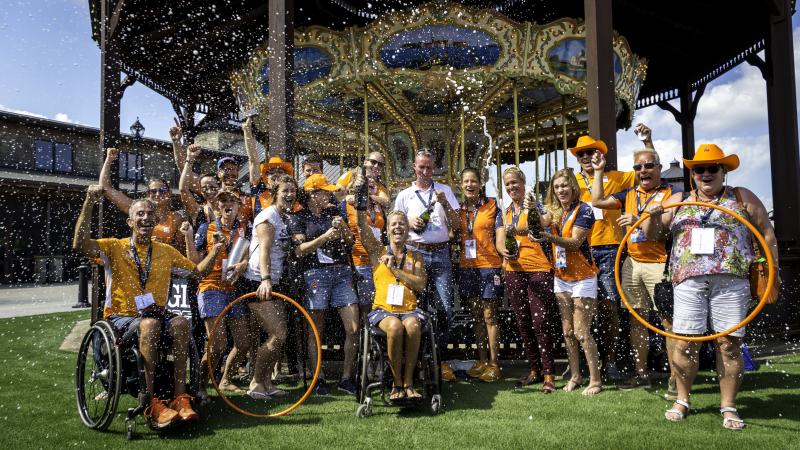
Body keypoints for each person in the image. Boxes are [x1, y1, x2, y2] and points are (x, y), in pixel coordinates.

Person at [642, 144, 779, 430]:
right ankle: (682, 399)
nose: (706, 173)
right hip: (688, 280)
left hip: (731, 281)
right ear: (692, 174)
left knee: (729, 344)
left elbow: (766, 232)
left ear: (723, 171)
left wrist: (773, 269)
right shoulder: (677, 200)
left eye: (712, 168)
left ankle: (728, 405)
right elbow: (653, 235)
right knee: (684, 342)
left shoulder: (742, 197)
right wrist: (653, 216)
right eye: (699, 169)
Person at [73, 185, 223, 427]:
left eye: (149, 214)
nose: (145, 218)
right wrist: (89, 202)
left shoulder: (166, 251)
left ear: (155, 220)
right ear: (130, 222)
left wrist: (216, 250)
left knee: (181, 322)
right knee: (150, 324)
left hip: (155, 315)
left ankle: (180, 397)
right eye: (139, 214)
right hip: (120, 319)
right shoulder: (114, 246)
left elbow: (197, 272)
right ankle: (150, 401)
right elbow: (80, 244)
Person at [590, 148, 679, 391]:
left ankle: (675, 378)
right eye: (638, 168)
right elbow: (597, 200)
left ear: (659, 168)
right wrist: (598, 172)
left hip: (660, 265)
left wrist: (637, 218)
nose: (643, 171)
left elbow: (660, 231)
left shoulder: (672, 193)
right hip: (632, 262)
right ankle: (641, 374)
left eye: (648, 166)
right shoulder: (629, 193)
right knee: (637, 320)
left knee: (667, 322)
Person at [571, 126, 652, 379]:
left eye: (591, 152)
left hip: (612, 249)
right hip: (582, 250)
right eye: (581, 154)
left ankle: (611, 359)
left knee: (609, 307)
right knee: (582, 308)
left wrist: (647, 141)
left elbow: (648, 171)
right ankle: (584, 362)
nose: (586, 157)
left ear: (599, 155)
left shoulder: (619, 177)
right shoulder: (571, 183)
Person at [392, 150, 460, 381]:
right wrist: (409, 222)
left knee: (445, 310)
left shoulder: (445, 191)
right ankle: (415, 360)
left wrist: (445, 205)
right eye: (421, 167)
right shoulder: (404, 195)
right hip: (415, 253)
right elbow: (394, 225)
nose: (425, 171)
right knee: (412, 309)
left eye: (429, 167)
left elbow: (458, 223)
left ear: (434, 168)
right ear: (414, 167)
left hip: (440, 253)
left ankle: (439, 361)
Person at [291, 173, 360, 396]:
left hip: (341, 272)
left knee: (353, 327)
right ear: (313, 194)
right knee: (316, 330)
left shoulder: (335, 212)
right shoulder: (299, 217)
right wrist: (324, 237)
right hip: (315, 274)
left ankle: (347, 378)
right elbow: (299, 251)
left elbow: (350, 242)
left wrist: (344, 231)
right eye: (325, 191)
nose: (330, 194)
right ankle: (318, 378)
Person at [536, 169, 602, 396]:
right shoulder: (555, 212)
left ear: (573, 187)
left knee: (582, 332)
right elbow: (538, 222)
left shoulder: (584, 210)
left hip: (584, 277)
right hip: (561, 277)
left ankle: (595, 380)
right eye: (556, 187)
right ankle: (575, 375)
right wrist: (530, 210)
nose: (561, 190)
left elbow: (574, 243)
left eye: (564, 186)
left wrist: (548, 237)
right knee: (567, 332)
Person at [186, 191, 251, 402]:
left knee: (243, 343)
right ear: (218, 205)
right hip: (211, 287)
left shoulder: (244, 229)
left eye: (232, 200)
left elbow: (249, 255)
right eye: (223, 200)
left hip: (234, 289)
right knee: (217, 345)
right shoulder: (207, 228)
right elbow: (194, 263)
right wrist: (215, 248)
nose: (228, 204)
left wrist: (244, 264)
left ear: (239, 205)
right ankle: (200, 386)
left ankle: (225, 380)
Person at [356, 208, 428, 400]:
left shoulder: (416, 256)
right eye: (393, 224)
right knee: (395, 327)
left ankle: (409, 382)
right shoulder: (378, 252)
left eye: (402, 224)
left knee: (412, 325)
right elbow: (362, 228)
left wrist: (396, 271)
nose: (398, 227)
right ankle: (397, 384)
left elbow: (420, 285)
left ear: (407, 230)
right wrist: (359, 206)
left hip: (410, 310)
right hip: (383, 310)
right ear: (387, 229)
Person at [240, 175, 299, 399]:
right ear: (275, 193)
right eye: (285, 190)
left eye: (293, 191)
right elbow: (264, 249)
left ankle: (266, 383)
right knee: (278, 333)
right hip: (258, 282)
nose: (290, 195)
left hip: (274, 282)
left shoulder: (283, 218)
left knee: (277, 335)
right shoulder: (268, 217)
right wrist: (265, 279)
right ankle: (256, 383)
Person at [501, 167, 558, 392]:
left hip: (539, 268)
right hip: (513, 269)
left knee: (541, 322)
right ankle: (534, 370)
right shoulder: (504, 211)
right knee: (523, 323)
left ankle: (549, 374)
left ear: (523, 183)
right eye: (507, 184)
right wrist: (503, 250)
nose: (511, 187)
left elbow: (544, 221)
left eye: (515, 182)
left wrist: (528, 214)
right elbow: (500, 237)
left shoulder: (535, 204)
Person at [458, 168, 504, 383]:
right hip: (468, 267)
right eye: (466, 181)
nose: (470, 185)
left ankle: (495, 363)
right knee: (476, 317)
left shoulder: (493, 205)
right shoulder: (459, 210)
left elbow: (502, 234)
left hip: (490, 266)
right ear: (461, 185)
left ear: (480, 183)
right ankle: (482, 360)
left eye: (473, 181)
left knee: (490, 316)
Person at [99, 147, 186, 253]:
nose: (157, 194)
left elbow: (182, 248)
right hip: (138, 257)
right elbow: (105, 188)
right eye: (153, 191)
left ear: (169, 193)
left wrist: (164, 244)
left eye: (162, 191)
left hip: (162, 260)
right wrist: (109, 160)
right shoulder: (136, 209)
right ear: (148, 194)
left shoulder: (176, 218)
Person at [342, 167, 386, 319]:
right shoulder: (347, 205)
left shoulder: (377, 205)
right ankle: (366, 335)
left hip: (378, 259)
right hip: (359, 260)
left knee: (380, 300)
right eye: (363, 183)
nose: (369, 185)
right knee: (366, 303)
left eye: (371, 183)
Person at [179, 144, 221, 225]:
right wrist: (190, 158)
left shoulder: (229, 208)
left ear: (219, 187)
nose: (209, 191)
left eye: (212, 187)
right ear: (201, 191)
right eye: (204, 188)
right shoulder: (198, 210)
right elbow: (183, 190)